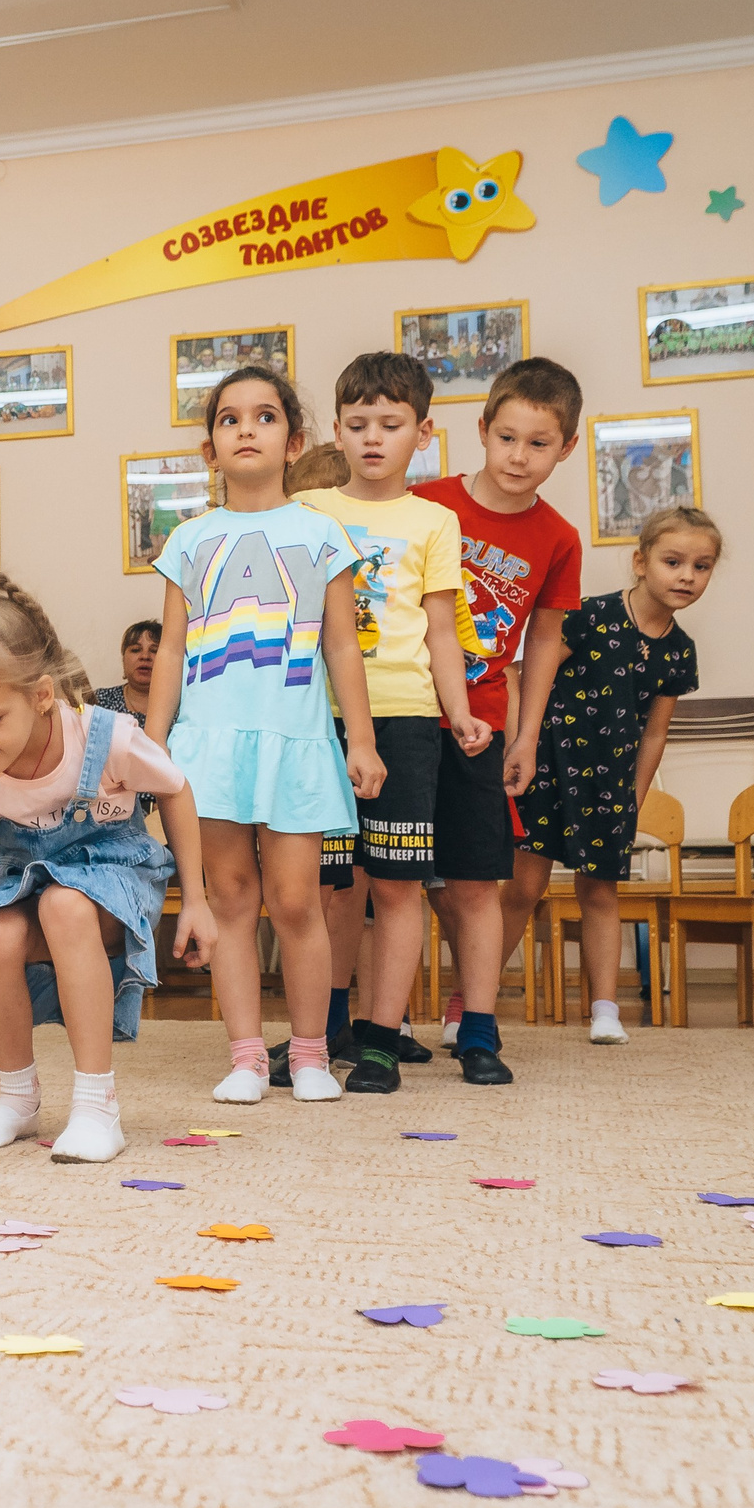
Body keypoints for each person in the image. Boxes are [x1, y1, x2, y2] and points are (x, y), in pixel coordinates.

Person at [0, 568, 212, 1162]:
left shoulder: (106, 737)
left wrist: (196, 899)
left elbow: (176, 789)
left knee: (66, 904)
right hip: (29, 886)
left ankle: (97, 1105)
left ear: (41, 696)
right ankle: (17, 1097)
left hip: (117, 878)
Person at [146, 364, 382, 1104]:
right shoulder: (189, 539)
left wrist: (362, 739)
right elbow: (172, 651)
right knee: (229, 898)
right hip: (209, 747)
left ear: (295, 441)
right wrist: (151, 743)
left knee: (297, 901)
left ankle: (309, 1055)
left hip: (293, 743)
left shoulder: (322, 533)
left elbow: (342, 646)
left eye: (265, 416)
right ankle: (247, 1056)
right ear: (210, 449)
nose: (246, 429)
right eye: (230, 419)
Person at [293, 353, 490, 1096]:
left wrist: (459, 712)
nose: (373, 438)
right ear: (337, 431)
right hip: (317, 716)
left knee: (399, 885)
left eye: (390, 424)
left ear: (423, 433)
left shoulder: (435, 521)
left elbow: (441, 630)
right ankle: (321, 1031)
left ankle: (381, 1037)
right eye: (358, 424)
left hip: (405, 716)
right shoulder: (309, 510)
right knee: (330, 886)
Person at [410, 358, 585, 1086]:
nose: (518, 456)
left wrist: (527, 733)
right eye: (507, 438)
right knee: (389, 880)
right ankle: (379, 1023)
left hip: (480, 725)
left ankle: (477, 1025)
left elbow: (543, 641)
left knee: (479, 882)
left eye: (538, 444)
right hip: (404, 714)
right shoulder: (425, 502)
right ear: (481, 430)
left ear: (566, 447)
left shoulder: (559, 538)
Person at [498, 507, 720, 1044]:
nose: (687, 576)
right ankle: (471, 1002)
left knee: (599, 891)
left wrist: (634, 798)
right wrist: (518, 744)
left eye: (702, 566)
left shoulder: (680, 651)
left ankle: (604, 1009)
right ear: (640, 562)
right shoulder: (588, 615)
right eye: (673, 562)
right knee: (523, 887)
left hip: (608, 784)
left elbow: (654, 734)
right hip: (548, 766)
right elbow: (525, 677)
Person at [91, 621, 161, 721]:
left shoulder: (181, 707)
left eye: (154, 650)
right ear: (123, 659)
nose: (145, 656)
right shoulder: (99, 701)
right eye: (136, 650)